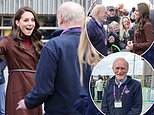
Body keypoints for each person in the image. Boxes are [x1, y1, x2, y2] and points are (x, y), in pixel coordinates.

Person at [16, 2, 85, 115]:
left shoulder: (53, 46)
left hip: (60, 111)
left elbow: (44, 88)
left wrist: (28, 102)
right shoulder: (93, 45)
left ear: (61, 18)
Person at [0, 6, 44, 115]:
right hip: (17, 89)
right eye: (25, 20)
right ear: (17, 23)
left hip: (35, 91)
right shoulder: (8, 42)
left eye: (32, 20)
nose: (30, 23)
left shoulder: (37, 43)